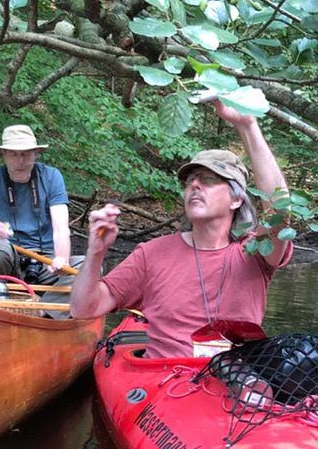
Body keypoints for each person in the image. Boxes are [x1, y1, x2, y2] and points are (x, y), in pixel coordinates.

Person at [70, 100, 292, 358]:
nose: (195, 185)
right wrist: (95, 252)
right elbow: (83, 308)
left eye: (209, 180)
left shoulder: (254, 253)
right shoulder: (151, 254)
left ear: (236, 199)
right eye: (190, 181)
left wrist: (248, 125)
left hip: (232, 379)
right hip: (162, 384)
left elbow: (279, 212)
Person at [0, 124, 79, 292]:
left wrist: (62, 259)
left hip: (46, 262)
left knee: (88, 268)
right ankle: (0, 294)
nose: (20, 161)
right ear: (4, 155)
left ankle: (44, 312)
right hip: (8, 259)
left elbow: (61, 229)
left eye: (26, 154)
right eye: (13, 154)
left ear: (36, 154)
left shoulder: (51, 177)